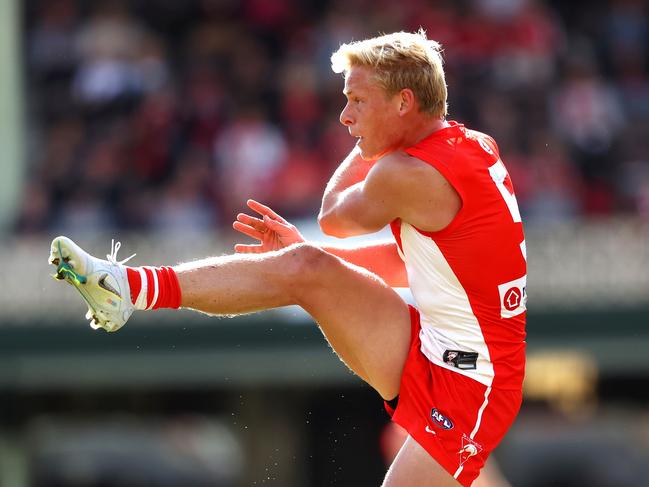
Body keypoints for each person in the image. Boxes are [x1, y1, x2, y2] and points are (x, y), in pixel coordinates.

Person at [49, 30, 526, 487]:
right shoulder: (469, 145)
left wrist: (372, 147)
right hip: (431, 342)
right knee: (305, 268)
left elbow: (333, 214)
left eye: (357, 101)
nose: (345, 117)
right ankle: (127, 287)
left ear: (404, 102)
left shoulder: (404, 171)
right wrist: (312, 250)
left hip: (474, 384)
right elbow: (416, 264)